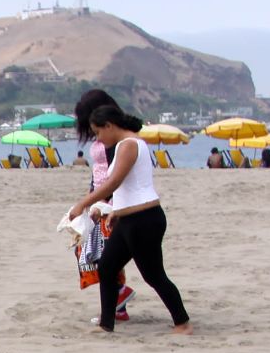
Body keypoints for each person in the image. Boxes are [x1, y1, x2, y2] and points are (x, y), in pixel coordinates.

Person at [69, 105, 191, 336]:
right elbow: (130, 186)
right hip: (128, 219)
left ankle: (183, 323)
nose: (98, 138)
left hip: (144, 219)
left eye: (98, 132)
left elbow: (114, 182)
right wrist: (116, 210)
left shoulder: (129, 145)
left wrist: (83, 203)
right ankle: (107, 324)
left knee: (154, 275)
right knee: (107, 267)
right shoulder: (128, 144)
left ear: (110, 126)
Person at [73, 88, 132, 321]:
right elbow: (98, 173)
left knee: (101, 254)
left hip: (109, 202)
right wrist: (91, 197)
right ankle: (118, 306)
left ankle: (118, 296)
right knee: (100, 252)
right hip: (99, 198)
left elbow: (115, 176)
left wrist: (104, 203)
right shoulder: (103, 136)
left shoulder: (115, 139)